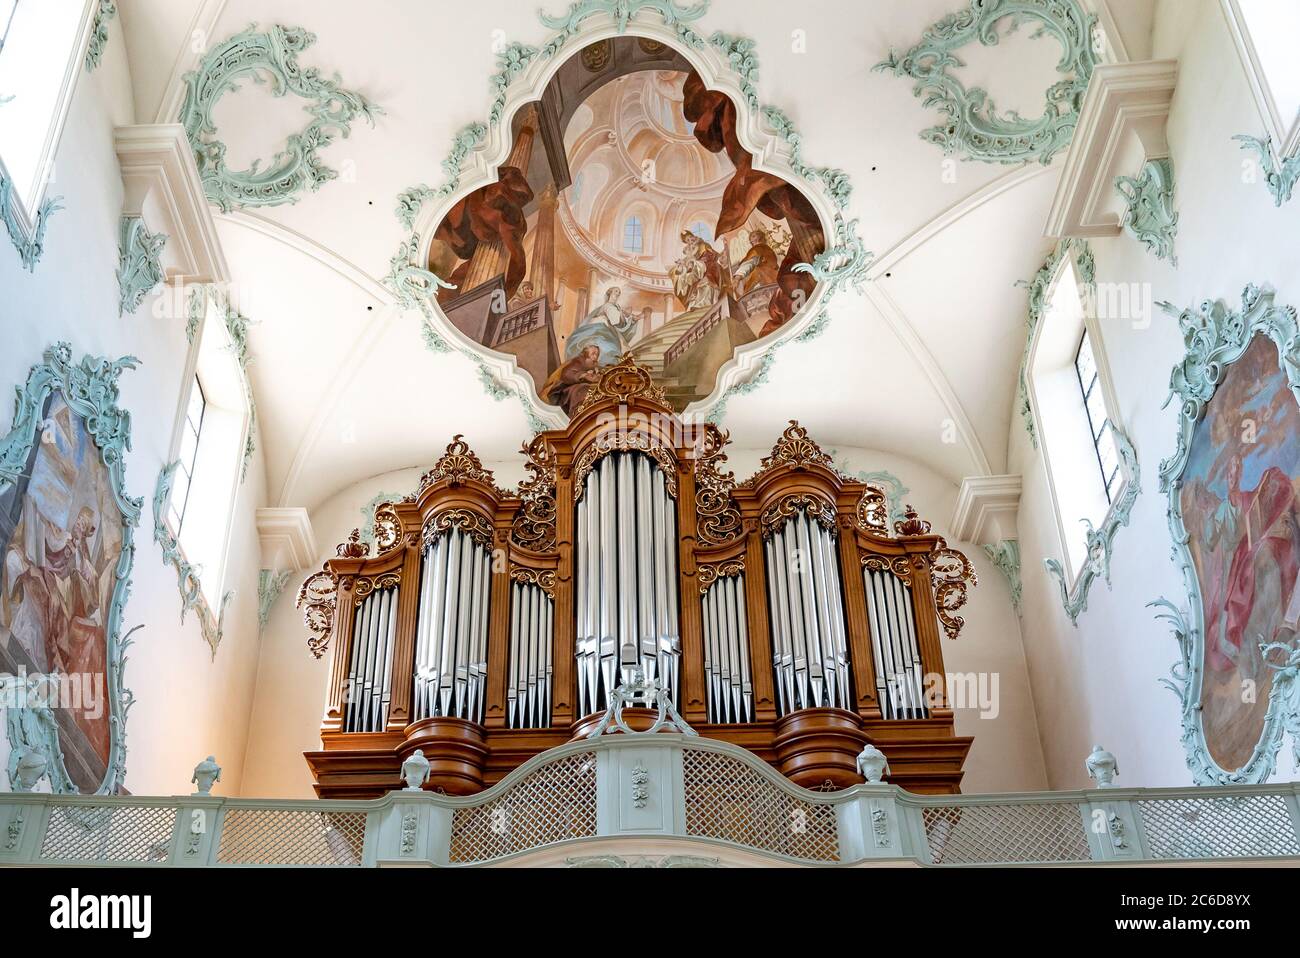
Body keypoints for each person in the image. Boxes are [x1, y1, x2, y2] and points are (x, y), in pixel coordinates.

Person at [541, 344, 603, 416]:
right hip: (566, 387)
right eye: (593, 353)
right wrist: (583, 375)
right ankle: (577, 415)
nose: (595, 356)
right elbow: (566, 374)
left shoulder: (595, 365)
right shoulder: (578, 361)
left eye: (597, 354)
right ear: (586, 354)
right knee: (582, 390)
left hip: (586, 385)